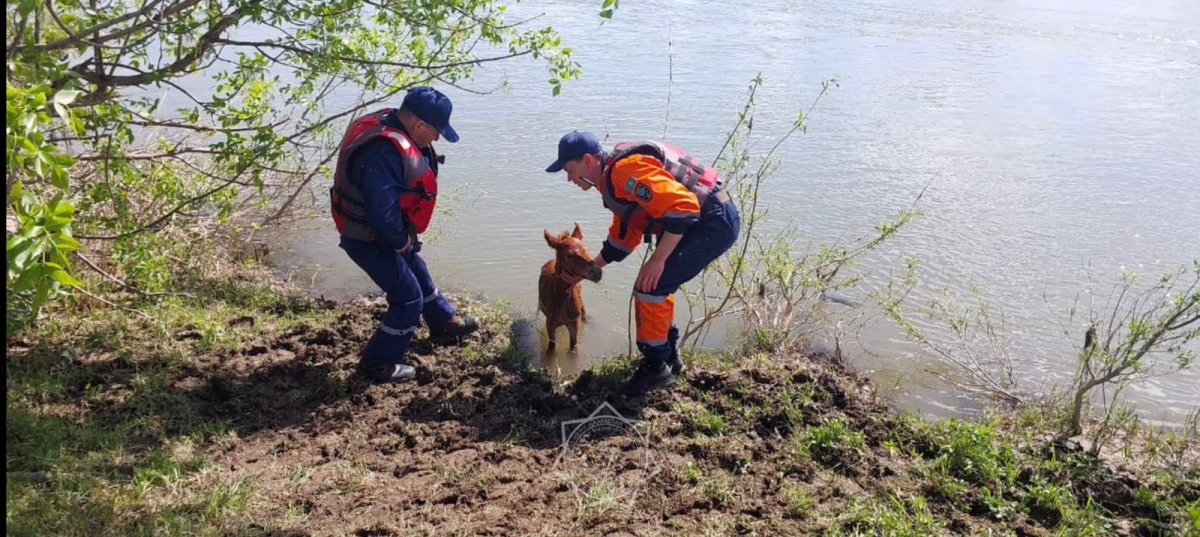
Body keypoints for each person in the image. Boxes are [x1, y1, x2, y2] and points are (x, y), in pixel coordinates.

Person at [545, 131, 741, 397]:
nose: (569, 179)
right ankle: (669, 359)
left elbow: (683, 210)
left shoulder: (623, 172)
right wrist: (590, 268)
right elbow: (624, 237)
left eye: (569, 170)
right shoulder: (613, 178)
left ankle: (655, 368)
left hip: (712, 222)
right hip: (699, 220)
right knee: (657, 287)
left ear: (588, 160)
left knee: (651, 287)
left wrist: (658, 260)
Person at [330, 87, 479, 383]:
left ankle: (443, 322)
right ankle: (376, 365)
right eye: (436, 132)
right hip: (367, 236)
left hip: (385, 229)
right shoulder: (383, 152)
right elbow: (382, 216)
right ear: (418, 125)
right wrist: (399, 241)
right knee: (407, 298)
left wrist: (403, 242)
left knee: (416, 268)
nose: (436, 140)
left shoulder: (394, 126)